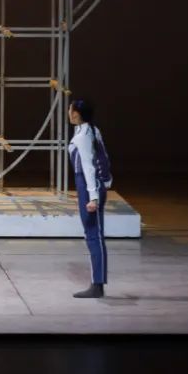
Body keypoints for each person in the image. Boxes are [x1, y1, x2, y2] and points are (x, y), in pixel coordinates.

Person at [68, 98, 113, 299]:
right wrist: (106, 182)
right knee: (93, 234)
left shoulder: (83, 136)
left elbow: (88, 166)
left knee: (94, 235)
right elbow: (103, 157)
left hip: (88, 185)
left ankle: (97, 285)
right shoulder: (91, 130)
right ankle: (97, 283)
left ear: (76, 113)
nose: (68, 113)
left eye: (70, 109)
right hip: (89, 185)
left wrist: (93, 196)